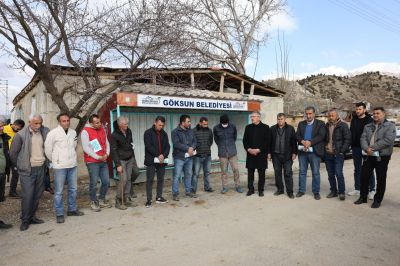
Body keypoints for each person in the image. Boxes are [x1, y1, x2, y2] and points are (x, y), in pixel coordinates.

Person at [10, 113, 49, 231]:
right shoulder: (20, 135)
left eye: (40, 123)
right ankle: (25, 220)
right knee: (27, 196)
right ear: (29, 122)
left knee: (37, 195)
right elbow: (13, 154)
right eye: (36, 123)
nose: (38, 125)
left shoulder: (44, 131)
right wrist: (20, 166)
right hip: (27, 170)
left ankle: (32, 217)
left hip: (41, 168)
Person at [44, 113, 84, 223]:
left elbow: (74, 146)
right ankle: (60, 213)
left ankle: (72, 209)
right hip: (60, 166)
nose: (66, 122)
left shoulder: (73, 132)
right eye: (64, 121)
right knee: (59, 191)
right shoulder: (53, 133)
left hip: (72, 165)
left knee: (73, 189)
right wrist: (55, 160)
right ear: (59, 122)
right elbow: (48, 150)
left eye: (68, 120)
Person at [354, 107, 396, 208]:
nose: (375, 115)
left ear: (384, 114)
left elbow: (388, 140)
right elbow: (363, 138)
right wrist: (366, 148)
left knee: (381, 178)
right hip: (369, 155)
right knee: (364, 176)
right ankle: (363, 197)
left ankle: (377, 200)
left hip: (382, 156)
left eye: (378, 113)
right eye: (374, 113)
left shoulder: (390, 126)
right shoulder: (368, 126)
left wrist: (372, 148)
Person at [81, 114, 111, 211]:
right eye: (97, 123)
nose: (99, 124)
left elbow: (106, 142)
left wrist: (107, 153)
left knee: (106, 181)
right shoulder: (85, 132)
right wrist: (98, 157)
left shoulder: (102, 129)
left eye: (99, 122)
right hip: (92, 161)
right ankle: (94, 201)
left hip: (103, 160)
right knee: (94, 183)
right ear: (91, 123)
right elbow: (86, 148)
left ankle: (101, 199)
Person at [295, 107, 326, 200]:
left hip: (314, 152)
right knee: (302, 172)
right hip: (303, 151)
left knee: (315, 173)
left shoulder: (320, 124)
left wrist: (310, 142)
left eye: (310, 114)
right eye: (307, 114)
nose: (308, 116)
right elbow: (297, 135)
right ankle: (301, 190)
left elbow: (321, 136)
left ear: (314, 114)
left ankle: (316, 192)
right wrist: (302, 141)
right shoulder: (301, 124)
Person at [110, 116, 139, 210]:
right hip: (121, 159)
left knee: (129, 178)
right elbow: (113, 150)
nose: (127, 125)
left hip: (130, 157)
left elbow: (131, 143)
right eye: (125, 124)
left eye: (127, 123)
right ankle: (118, 199)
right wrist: (117, 164)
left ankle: (126, 198)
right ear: (120, 125)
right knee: (124, 179)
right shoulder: (114, 135)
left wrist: (132, 154)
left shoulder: (128, 131)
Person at [349, 102, 376, 199]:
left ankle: (372, 190)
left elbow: (373, 135)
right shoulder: (354, 120)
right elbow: (351, 133)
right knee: (357, 169)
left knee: (369, 169)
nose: (357, 111)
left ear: (364, 110)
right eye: (356, 109)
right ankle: (357, 189)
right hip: (356, 148)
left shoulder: (370, 120)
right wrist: (351, 145)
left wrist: (370, 147)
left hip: (366, 148)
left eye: (359, 109)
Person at [324, 109, 351, 201]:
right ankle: (333, 191)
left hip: (338, 154)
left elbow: (347, 139)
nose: (331, 117)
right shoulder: (326, 125)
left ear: (337, 116)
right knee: (330, 174)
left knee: (338, 174)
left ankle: (341, 192)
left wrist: (342, 151)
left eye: (333, 115)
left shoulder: (343, 125)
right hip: (328, 154)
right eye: (329, 116)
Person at [268, 113, 297, 199]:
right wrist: (269, 153)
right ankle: (280, 189)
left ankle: (290, 191)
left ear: (285, 120)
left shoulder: (290, 129)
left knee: (288, 173)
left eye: (282, 119)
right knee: (277, 173)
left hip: (287, 155)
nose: (280, 121)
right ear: (277, 120)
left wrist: (294, 153)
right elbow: (269, 142)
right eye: (279, 119)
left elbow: (293, 142)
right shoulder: (272, 129)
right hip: (276, 155)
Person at [144, 116, 170, 208]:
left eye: (162, 125)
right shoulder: (148, 133)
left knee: (161, 179)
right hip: (151, 160)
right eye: (159, 125)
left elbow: (168, 146)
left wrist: (164, 155)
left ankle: (159, 197)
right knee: (150, 180)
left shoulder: (164, 134)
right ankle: (149, 200)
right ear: (155, 122)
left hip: (162, 160)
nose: (161, 127)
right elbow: (148, 146)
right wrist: (158, 155)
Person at [213, 114, 243, 194]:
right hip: (222, 153)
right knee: (224, 171)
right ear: (221, 122)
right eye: (223, 124)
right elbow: (216, 139)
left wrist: (230, 145)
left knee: (236, 169)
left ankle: (238, 186)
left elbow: (234, 137)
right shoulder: (216, 128)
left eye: (226, 124)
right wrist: (221, 145)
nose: (225, 125)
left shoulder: (233, 127)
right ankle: (225, 187)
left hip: (232, 152)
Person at [243, 111, 270, 197]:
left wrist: (259, 150)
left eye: (254, 116)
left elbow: (267, 141)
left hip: (261, 154)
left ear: (259, 117)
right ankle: (251, 189)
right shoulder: (248, 127)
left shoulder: (266, 127)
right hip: (250, 154)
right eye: (251, 116)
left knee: (261, 174)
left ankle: (260, 190)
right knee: (250, 173)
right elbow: (245, 140)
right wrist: (249, 149)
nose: (252, 118)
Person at [171, 114, 197, 201]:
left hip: (189, 157)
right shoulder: (175, 132)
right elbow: (176, 144)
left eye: (190, 121)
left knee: (188, 174)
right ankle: (175, 193)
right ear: (182, 123)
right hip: (179, 157)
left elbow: (195, 141)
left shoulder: (191, 131)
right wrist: (187, 148)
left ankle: (188, 192)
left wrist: (192, 148)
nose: (190, 123)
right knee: (177, 175)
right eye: (188, 121)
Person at [191, 117, 214, 195]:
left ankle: (207, 188)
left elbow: (211, 141)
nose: (206, 125)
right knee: (196, 173)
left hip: (207, 155)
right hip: (197, 156)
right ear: (200, 123)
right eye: (204, 124)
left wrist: (207, 147)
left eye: (207, 124)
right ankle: (193, 190)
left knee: (207, 173)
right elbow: (192, 142)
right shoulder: (194, 131)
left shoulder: (209, 130)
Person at [3, 118, 25, 198]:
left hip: (14, 157)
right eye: (18, 128)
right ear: (15, 125)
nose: (19, 130)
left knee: (16, 174)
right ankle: (2, 192)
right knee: (2, 174)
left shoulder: (19, 133)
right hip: (4, 156)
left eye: (20, 129)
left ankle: (12, 191)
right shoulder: (4, 129)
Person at [0, 116, 11, 202]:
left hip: (2, 169)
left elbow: (6, 153)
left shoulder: (4, 138)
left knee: (2, 186)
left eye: (2, 126)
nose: (1, 128)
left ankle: (1, 197)